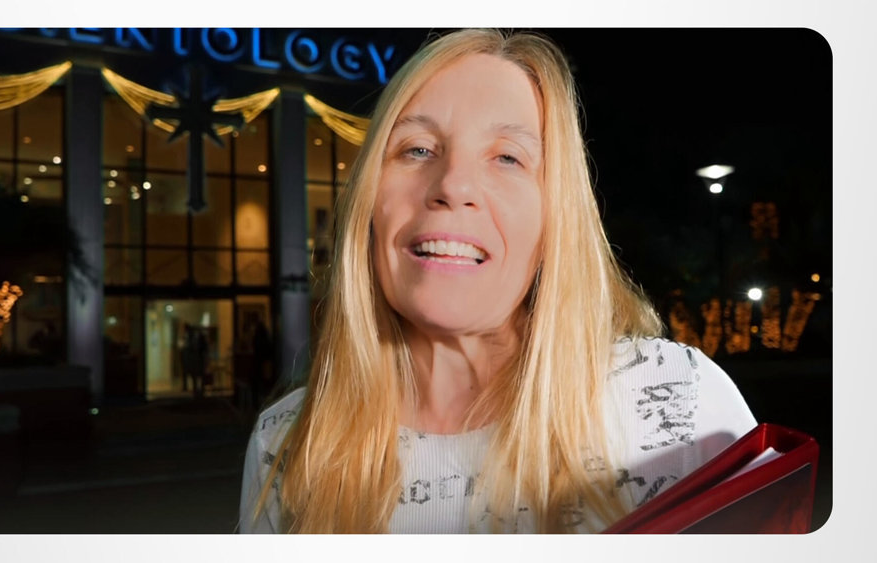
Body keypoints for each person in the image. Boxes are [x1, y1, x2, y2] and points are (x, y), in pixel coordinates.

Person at [239, 29, 756, 534]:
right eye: (417, 149)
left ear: (556, 216)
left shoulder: (679, 401)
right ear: (368, 201)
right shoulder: (286, 441)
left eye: (508, 157)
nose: (452, 184)